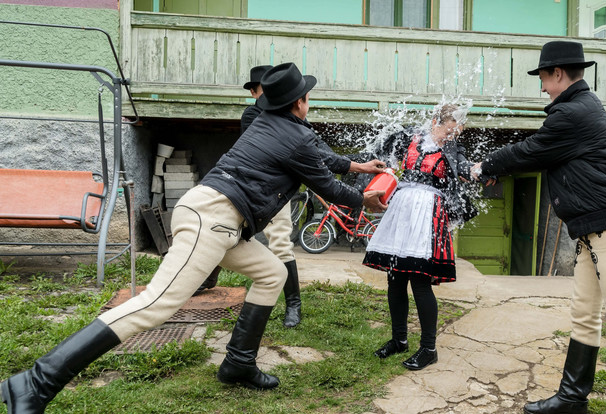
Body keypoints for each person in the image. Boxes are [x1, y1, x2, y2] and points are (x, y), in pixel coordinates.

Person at [0, 62, 387, 414]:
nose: (308, 102)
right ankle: (35, 383)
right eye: (307, 96)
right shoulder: (292, 135)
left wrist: (357, 167)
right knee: (155, 305)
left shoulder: (275, 125)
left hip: (223, 219)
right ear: (300, 103)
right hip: (212, 218)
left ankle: (238, 363)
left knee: (272, 273)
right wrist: (364, 199)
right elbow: (328, 186)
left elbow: (320, 160)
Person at [472, 41, 606, 414]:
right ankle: (572, 398)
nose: (543, 87)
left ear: (558, 74)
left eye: (544, 79)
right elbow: (541, 153)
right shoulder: (579, 107)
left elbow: (532, 150)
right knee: (584, 312)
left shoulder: (572, 113)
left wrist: (486, 165)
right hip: (591, 229)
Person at [199, 64, 386, 330]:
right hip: (246, 193)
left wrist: (360, 167)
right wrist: (361, 195)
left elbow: (320, 154)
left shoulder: (296, 122)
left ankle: (293, 305)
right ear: (256, 93)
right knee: (225, 236)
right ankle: (209, 278)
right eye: (266, 90)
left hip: (275, 195)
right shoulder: (255, 116)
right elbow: (310, 160)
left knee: (279, 244)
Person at [363, 104, 477, 371]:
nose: (458, 130)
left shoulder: (453, 148)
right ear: (439, 120)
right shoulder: (411, 137)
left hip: (428, 214)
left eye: (460, 126)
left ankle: (428, 349)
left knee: (420, 282)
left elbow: (465, 167)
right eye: (455, 125)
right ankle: (399, 339)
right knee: (395, 278)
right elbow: (381, 155)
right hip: (403, 209)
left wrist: (485, 171)